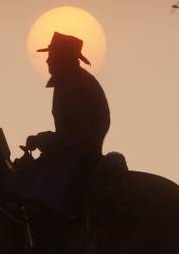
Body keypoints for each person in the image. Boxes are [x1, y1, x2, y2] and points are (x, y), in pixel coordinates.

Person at [6, 32, 110, 214]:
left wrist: (42, 140)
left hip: (76, 158)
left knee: (27, 190)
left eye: (51, 56)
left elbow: (75, 135)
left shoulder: (74, 84)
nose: (47, 61)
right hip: (74, 154)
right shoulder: (73, 81)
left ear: (63, 58)